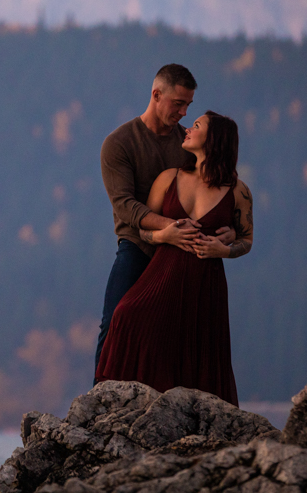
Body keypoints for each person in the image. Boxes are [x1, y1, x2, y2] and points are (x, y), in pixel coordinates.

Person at [95, 111, 253, 405]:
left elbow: (247, 239)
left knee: (201, 350)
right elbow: (141, 230)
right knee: (124, 315)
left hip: (207, 282)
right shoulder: (169, 178)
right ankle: (109, 401)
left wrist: (225, 251)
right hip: (162, 273)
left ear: (214, 139)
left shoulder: (238, 190)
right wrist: (164, 235)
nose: (188, 128)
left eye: (196, 125)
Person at [95, 65, 234, 378]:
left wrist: (228, 229)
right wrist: (166, 230)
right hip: (137, 245)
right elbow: (124, 205)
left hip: (182, 248)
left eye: (188, 106)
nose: (184, 113)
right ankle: (98, 400)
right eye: (178, 104)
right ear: (156, 95)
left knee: (179, 333)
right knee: (117, 317)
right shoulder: (119, 144)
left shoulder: (186, 144)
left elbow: (211, 184)